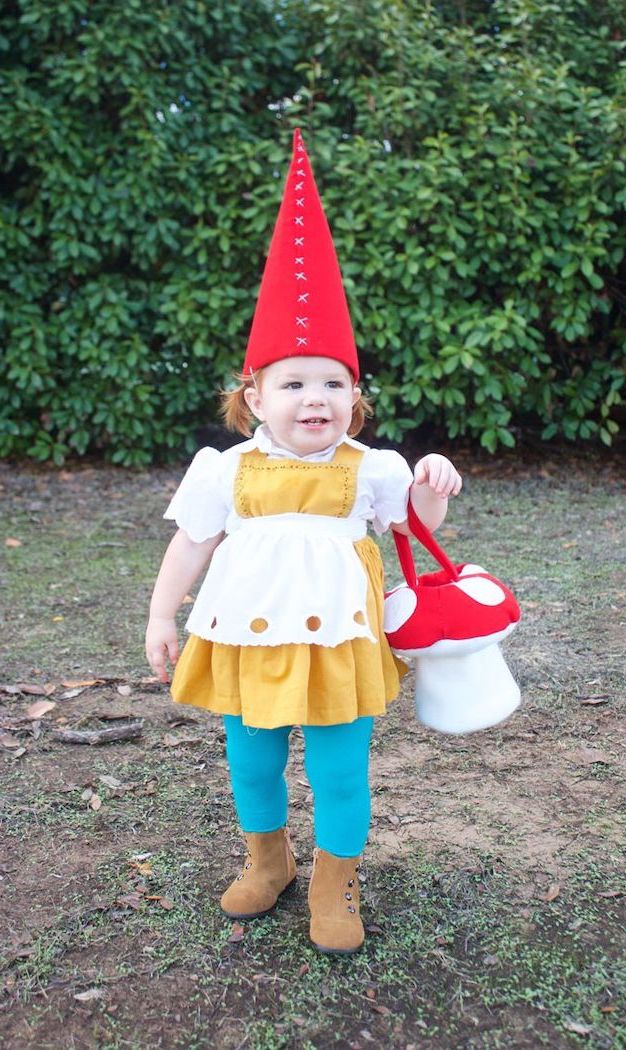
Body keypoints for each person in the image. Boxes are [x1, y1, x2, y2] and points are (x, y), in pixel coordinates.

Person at [145, 129, 461, 954]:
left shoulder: (372, 467)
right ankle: (267, 860)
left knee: (338, 769)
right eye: (293, 383)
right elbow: (189, 546)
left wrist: (429, 486)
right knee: (250, 759)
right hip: (244, 642)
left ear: (353, 398)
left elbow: (419, 530)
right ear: (252, 396)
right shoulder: (224, 469)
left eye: (333, 383)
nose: (314, 398)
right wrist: (160, 616)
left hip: (339, 643)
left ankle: (335, 879)